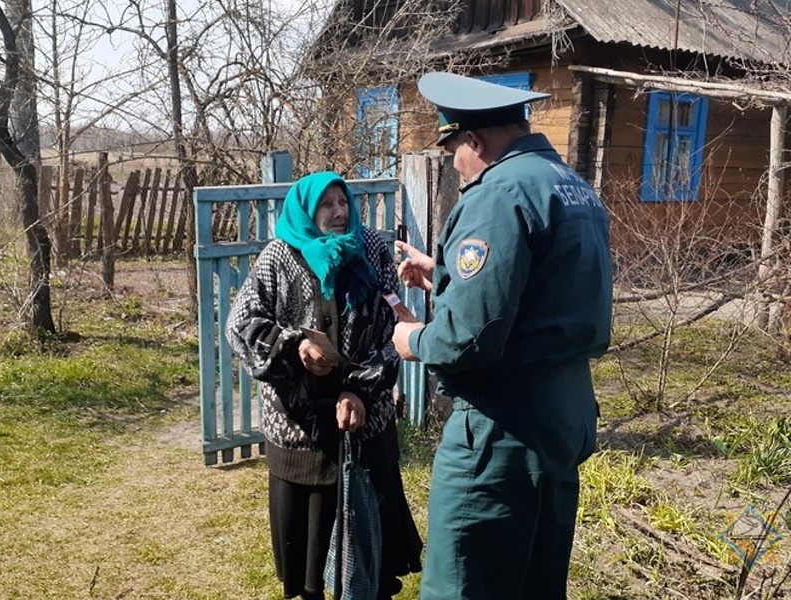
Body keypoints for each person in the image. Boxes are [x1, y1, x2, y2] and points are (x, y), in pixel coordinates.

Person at [392, 72, 613, 599]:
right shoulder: (572, 185)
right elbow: (543, 282)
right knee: (535, 578)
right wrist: (444, 269)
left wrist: (413, 339)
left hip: (500, 431)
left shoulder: (497, 193)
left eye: (452, 150)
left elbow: (468, 338)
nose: (453, 164)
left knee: (463, 583)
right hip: (563, 414)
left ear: (475, 140)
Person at [226, 171, 422, 600]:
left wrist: (358, 389)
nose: (338, 212)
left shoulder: (369, 249)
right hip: (301, 432)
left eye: (343, 202)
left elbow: (394, 329)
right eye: (326, 205)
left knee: (370, 553)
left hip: (366, 424)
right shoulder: (279, 256)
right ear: (306, 212)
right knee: (311, 565)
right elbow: (241, 326)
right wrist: (293, 347)